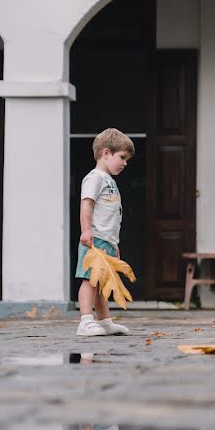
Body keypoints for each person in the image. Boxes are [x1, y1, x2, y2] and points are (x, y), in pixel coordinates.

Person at [75, 128, 134, 336]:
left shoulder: (109, 180)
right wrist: (86, 231)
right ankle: (85, 320)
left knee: (102, 284)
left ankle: (105, 321)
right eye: (123, 157)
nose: (125, 163)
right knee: (90, 279)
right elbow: (87, 205)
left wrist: (113, 244)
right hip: (94, 239)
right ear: (106, 153)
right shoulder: (95, 178)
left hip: (107, 241)